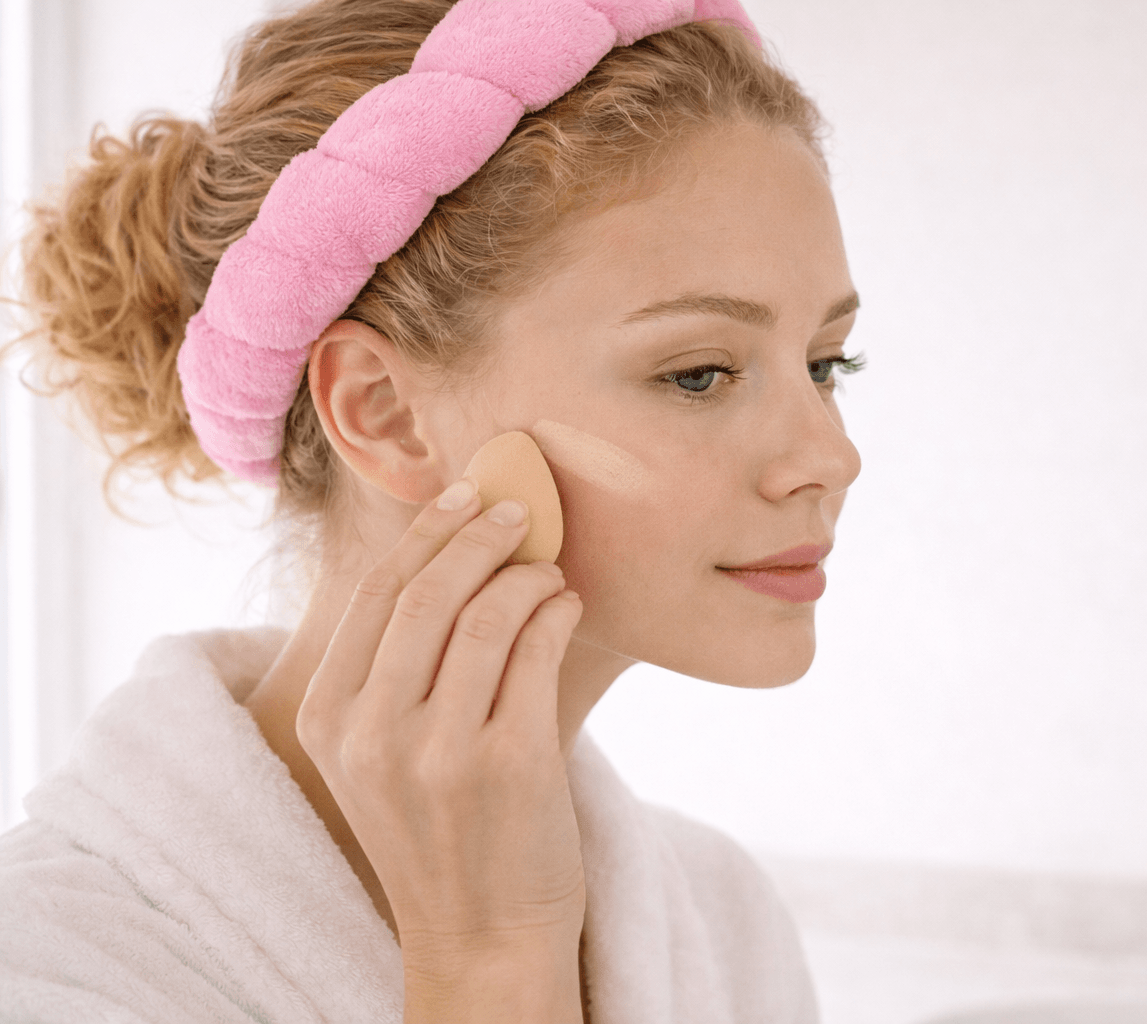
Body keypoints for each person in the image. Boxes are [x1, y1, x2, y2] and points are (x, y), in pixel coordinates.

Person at [0, 1, 863, 1021]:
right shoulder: (49, 966)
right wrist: (487, 964)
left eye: (826, 364)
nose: (831, 457)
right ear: (385, 414)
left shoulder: (726, 922)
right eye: (700, 373)